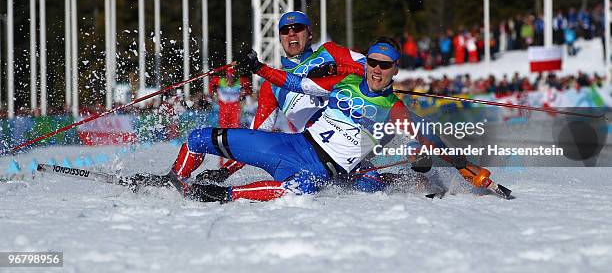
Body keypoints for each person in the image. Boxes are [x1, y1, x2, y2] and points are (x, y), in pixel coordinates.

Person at [133, 38, 494, 202]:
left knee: (302, 188)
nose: (377, 70)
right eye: (373, 62)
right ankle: (172, 180)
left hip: (320, 169)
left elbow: (422, 139)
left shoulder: (392, 108)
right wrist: (258, 68)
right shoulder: (346, 81)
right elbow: (295, 83)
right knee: (199, 137)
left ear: (394, 70)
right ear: (366, 63)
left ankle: (221, 195)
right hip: (290, 144)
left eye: (385, 66)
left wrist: (460, 165)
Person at [196, 10, 367, 182]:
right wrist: (225, 172)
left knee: (373, 184)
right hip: (316, 157)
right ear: (280, 38)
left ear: (309, 34)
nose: (291, 33)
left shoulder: (329, 52)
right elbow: (256, 136)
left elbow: (371, 68)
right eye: (285, 30)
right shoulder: (272, 85)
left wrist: (333, 70)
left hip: (355, 141)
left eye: (297, 28)